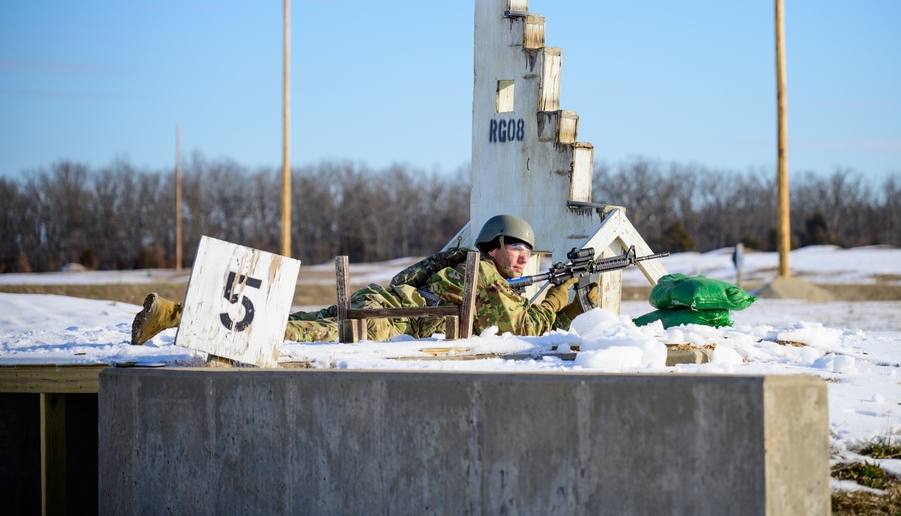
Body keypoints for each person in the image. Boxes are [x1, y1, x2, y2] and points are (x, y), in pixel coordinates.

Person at [131, 214, 599, 345]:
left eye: (526, 252)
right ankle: (176, 315)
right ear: (494, 247)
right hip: (384, 319)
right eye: (516, 249)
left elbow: (404, 276)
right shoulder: (486, 280)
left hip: (380, 301)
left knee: (294, 321)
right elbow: (527, 326)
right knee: (289, 333)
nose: (523, 259)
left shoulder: (463, 267)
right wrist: (562, 292)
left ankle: (174, 312)